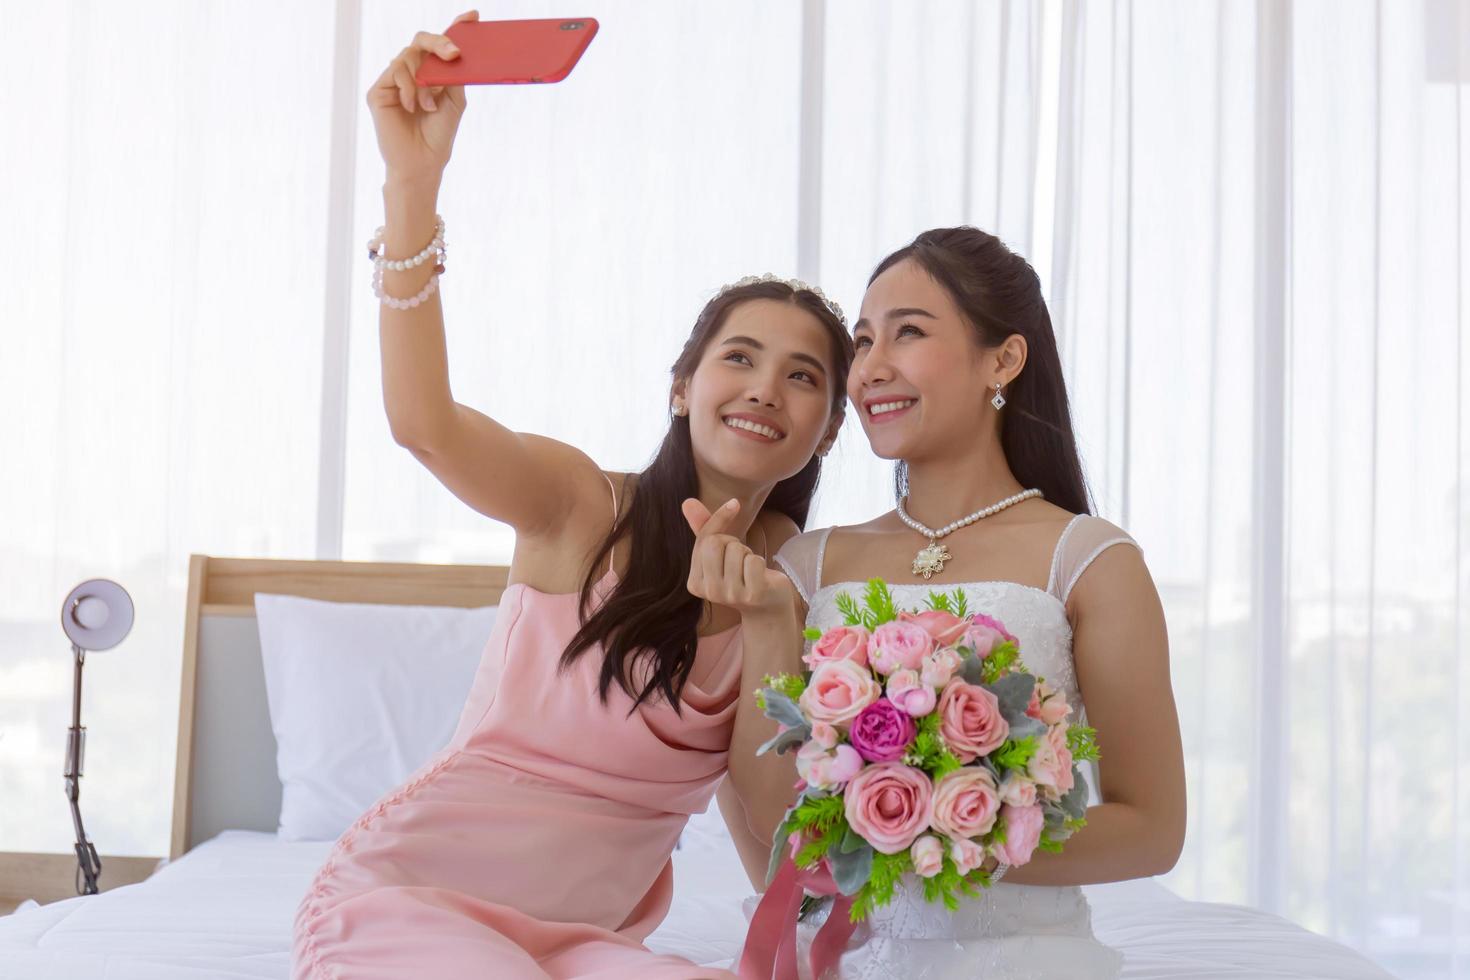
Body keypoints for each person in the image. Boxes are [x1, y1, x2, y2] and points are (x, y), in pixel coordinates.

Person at [291, 12, 853, 979]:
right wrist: (411, 186)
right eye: (741, 358)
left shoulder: (794, 587)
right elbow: (424, 423)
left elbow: (767, 836)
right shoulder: (578, 502)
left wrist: (769, 628)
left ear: (830, 427)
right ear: (683, 387)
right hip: (411, 902)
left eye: (804, 377)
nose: (766, 387)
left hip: (585, 945)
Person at [704, 227, 1187, 979]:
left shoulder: (1091, 560)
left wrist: (949, 835)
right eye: (863, 342)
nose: (870, 368)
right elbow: (769, 826)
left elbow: (1154, 830)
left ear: (1004, 359)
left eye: (908, 333)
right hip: (833, 959)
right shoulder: (805, 565)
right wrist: (765, 622)